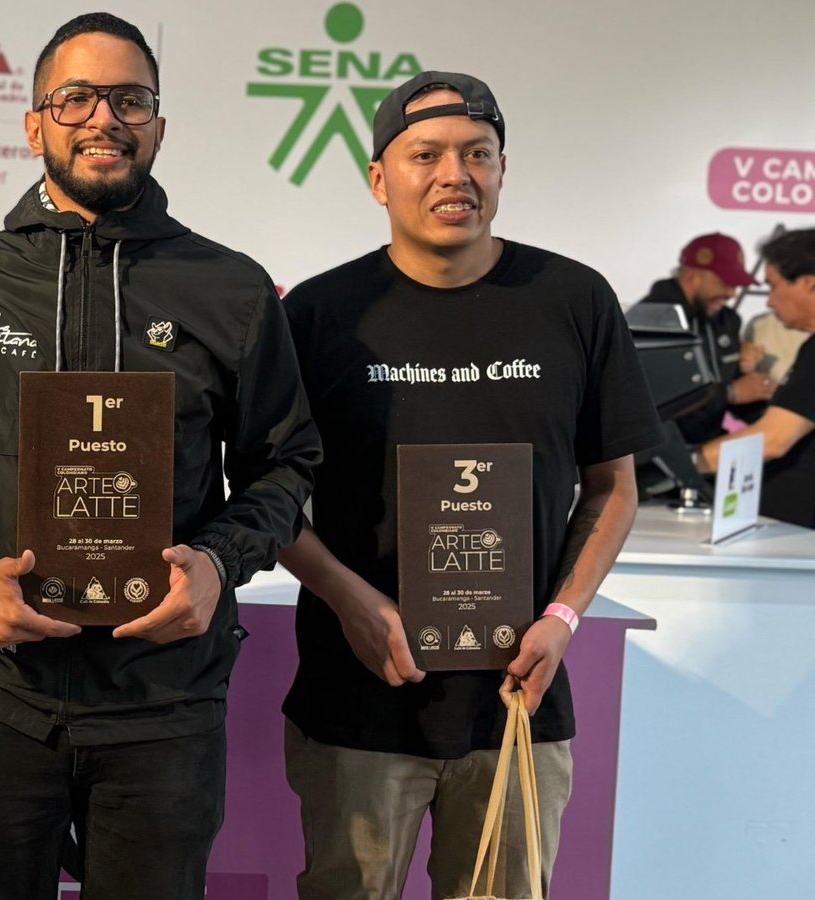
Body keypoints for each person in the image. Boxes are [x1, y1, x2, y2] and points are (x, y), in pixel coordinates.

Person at [0, 13, 320, 899]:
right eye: (75, 98)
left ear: (158, 126)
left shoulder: (232, 288)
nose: (104, 117)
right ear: (35, 125)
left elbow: (285, 466)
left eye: (130, 99)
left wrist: (218, 564)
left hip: (165, 705)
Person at [277, 71, 661, 899]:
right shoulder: (317, 315)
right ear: (379, 177)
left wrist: (563, 618)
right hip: (360, 703)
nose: (456, 174)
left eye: (477, 153)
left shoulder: (574, 301)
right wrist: (348, 599)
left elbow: (613, 487)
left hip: (518, 703)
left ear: (502, 168)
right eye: (426, 155)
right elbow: (265, 496)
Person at [698, 228, 815, 528]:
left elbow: (772, 440)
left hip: (797, 541)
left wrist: (686, 463)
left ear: (808, 283)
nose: (769, 302)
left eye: (774, 286)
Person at [633, 232, 775, 442]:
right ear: (693, 276)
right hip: (656, 452)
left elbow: (739, 393)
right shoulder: (648, 320)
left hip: (708, 445)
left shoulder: (727, 320)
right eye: (725, 282)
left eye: (736, 285)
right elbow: (646, 401)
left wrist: (759, 389)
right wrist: (730, 393)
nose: (733, 294)